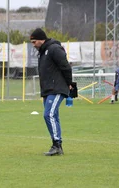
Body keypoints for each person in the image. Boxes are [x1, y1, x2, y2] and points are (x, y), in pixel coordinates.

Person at [30, 28, 73, 156]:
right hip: (48, 89)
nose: (33, 45)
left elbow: (65, 67)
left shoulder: (54, 49)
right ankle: (57, 144)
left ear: (41, 40)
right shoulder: (42, 52)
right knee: (53, 116)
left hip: (57, 88)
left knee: (48, 114)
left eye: (34, 42)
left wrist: (69, 83)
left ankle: (57, 145)